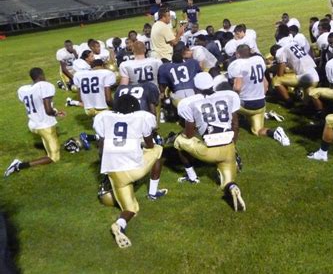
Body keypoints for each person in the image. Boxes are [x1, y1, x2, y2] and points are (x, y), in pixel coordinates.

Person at [93, 94, 167, 248]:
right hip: (135, 169)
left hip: (114, 172)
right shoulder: (142, 117)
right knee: (158, 150)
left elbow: (101, 147)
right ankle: (153, 192)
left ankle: (119, 224)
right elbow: (150, 145)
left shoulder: (103, 118)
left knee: (131, 209)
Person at [173, 72, 246, 211]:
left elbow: (189, 134)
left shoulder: (189, 102)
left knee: (179, 141)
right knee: (227, 182)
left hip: (209, 151)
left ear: (196, 86)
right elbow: (235, 125)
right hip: (229, 147)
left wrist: (181, 134)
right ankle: (232, 187)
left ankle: (192, 176)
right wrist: (233, 146)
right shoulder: (229, 96)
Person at [4, 68, 64, 178]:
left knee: (48, 141)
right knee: (54, 157)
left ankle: (46, 145)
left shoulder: (24, 89)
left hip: (33, 124)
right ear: (41, 75)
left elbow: (37, 104)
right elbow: (48, 110)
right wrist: (55, 113)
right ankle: (19, 166)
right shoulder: (45, 86)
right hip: (45, 126)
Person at [227, 44, 290, 146]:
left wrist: (234, 99)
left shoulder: (237, 65)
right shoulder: (258, 60)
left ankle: (224, 128)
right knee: (257, 131)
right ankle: (274, 132)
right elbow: (265, 84)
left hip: (246, 105)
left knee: (226, 103)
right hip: (260, 104)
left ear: (237, 54)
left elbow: (237, 87)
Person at [271, 25, 319, 108]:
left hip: (305, 77)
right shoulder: (293, 43)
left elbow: (280, 74)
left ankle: (289, 102)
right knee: (306, 102)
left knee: (276, 80)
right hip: (314, 74)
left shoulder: (279, 52)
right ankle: (319, 110)